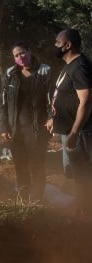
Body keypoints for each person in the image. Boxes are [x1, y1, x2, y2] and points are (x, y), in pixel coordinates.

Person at [0, 41, 52, 202]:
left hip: (38, 129)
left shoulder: (44, 71)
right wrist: (3, 127)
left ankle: (37, 200)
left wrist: (51, 118)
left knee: (37, 165)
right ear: (14, 58)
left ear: (29, 51)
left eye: (22, 53)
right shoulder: (10, 74)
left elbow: (52, 99)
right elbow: (2, 102)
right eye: (16, 55)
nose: (20, 57)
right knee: (20, 165)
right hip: (16, 130)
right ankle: (23, 198)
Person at [47, 28, 92, 206]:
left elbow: (86, 102)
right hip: (70, 131)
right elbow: (65, 96)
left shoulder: (80, 66)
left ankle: (86, 214)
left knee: (83, 174)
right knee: (76, 174)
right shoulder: (70, 65)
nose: (55, 46)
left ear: (68, 45)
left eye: (58, 42)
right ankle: (82, 208)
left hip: (80, 133)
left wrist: (74, 132)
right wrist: (54, 118)